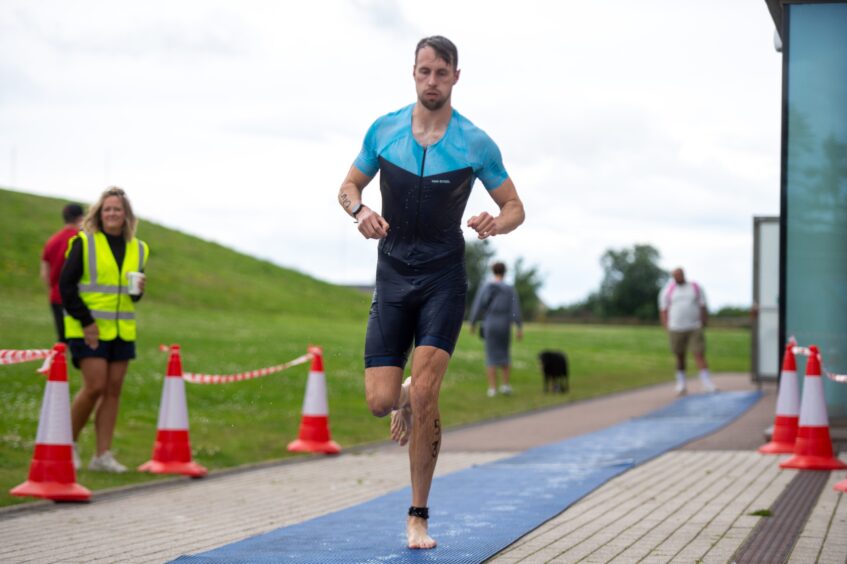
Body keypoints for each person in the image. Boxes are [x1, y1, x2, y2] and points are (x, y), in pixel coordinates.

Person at [337, 36, 525, 549]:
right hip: (393, 276)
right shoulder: (384, 129)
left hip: (444, 278)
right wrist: (361, 212)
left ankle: (418, 515)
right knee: (381, 401)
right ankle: (401, 397)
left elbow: (515, 207)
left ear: (456, 77)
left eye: (442, 72)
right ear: (413, 73)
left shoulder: (475, 143)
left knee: (425, 393)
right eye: (424, 71)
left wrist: (496, 223)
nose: (432, 81)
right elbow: (347, 188)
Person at [60, 187, 149, 472]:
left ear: (126, 216)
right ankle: (66, 445)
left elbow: (131, 295)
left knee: (113, 390)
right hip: (88, 327)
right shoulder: (83, 243)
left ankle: (102, 456)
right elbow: (66, 286)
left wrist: (139, 292)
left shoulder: (139, 248)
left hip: (122, 329)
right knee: (94, 387)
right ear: (99, 213)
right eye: (107, 209)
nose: (112, 214)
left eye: (117, 209)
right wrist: (86, 322)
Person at [658, 267, 716, 395]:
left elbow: (703, 305)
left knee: (699, 353)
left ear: (684, 275)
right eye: (675, 275)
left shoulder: (695, 287)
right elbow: (663, 309)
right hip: (676, 327)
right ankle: (681, 383)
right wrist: (666, 325)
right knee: (679, 356)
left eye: (679, 275)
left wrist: (703, 321)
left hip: (694, 326)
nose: (678, 277)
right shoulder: (668, 290)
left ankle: (707, 383)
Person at [468, 261, 523, 397]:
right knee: (505, 354)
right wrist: (519, 326)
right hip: (505, 324)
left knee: (491, 355)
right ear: (505, 272)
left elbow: (478, 305)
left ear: (493, 271)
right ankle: (505, 385)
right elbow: (515, 308)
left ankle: (492, 388)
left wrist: (473, 322)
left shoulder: (486, 287)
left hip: (490, 323)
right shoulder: (510, 288)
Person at [40, 203, 85, 342]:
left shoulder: (51, 241)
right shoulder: (82, 240)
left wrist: (53, 289)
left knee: (63, 342)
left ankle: (61, 364)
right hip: (78, 298)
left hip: (56, 297)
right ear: (81, 217)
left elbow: (44, 274)